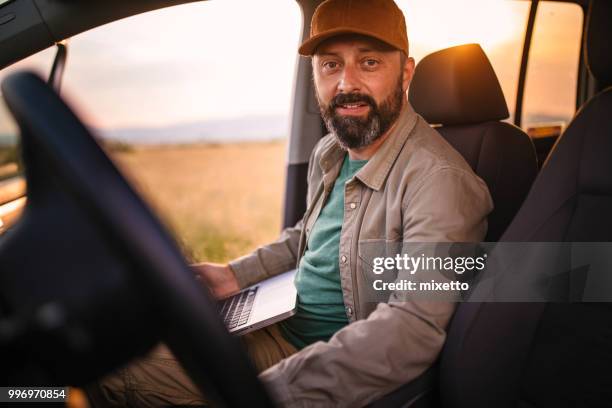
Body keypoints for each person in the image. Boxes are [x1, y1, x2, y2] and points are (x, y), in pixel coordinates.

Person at [87, 0, 493, 406]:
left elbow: (414, 327)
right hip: (280, 327)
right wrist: (232, 275)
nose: (345, 83)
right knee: (112, 343)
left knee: (109, 371)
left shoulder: (442, 183)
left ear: (406, 73)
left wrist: (267, 391)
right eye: (330, 65)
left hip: (324, 367)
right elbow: (307, 235)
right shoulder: (330, 152)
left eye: (369, 63)